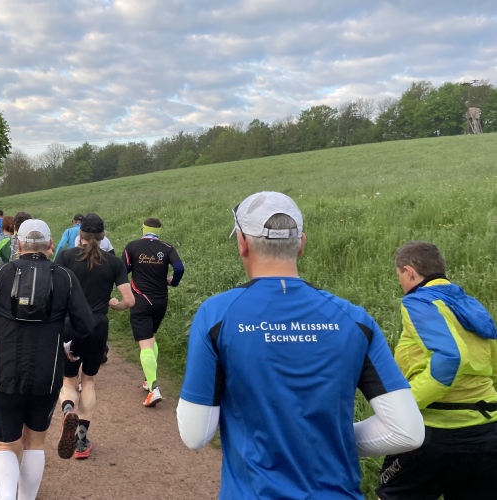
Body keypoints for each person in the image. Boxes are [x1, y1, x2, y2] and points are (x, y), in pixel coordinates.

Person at [176, 191, 424, 499]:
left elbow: (195, 434)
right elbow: (406, 431)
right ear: (301, 244)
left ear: (242, 243)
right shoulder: (354, 319)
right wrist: (327, 437)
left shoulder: (216, 315)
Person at [0, 219, 95, 500]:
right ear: (50, 245)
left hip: (5, 370)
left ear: (19, 245)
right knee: (34, 444)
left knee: (4, 445)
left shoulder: (0, 274)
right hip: (47, 372)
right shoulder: (65, 278)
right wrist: (70, 347)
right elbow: (86, 326)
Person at [375, 241, 497, 500]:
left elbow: (450, 358)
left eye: (399, 275)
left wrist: (406, 403)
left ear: (409, 272)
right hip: (486, 431)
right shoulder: (471, 305)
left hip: (432, 432)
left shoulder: (419, 302)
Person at [55, 214, 135, 459]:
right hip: (98, 326)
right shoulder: (114, 262)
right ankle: (81, 440)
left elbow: (52, 292)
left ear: (79, 234)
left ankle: (68, 411)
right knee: (88, 381)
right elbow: (130, 300)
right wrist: (116, 306)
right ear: (103, 236)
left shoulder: (65, 257)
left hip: (70, 325)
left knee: (69, 381)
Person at [122, 217, 184, 407]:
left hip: (140, 300)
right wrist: (173, 282)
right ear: (158, 231)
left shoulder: (132, 246)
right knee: (151, 338)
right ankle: (149, 380)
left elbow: (122, 270)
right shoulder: (167, 248)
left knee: (144, 343)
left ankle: (154, 389)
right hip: (160, 301)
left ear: (143, 229)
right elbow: (179, 268)